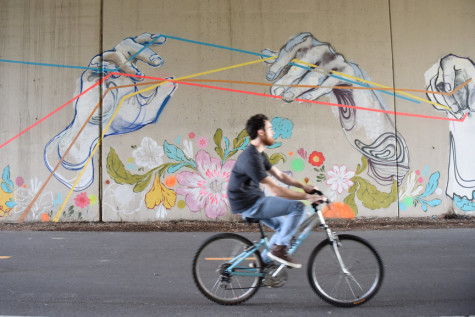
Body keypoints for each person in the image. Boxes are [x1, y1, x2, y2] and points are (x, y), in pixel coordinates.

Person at [227, 114, 326, 268]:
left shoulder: (259, 155)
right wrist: (307, 197)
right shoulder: (251, 158)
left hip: (253, 199)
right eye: (270, 129)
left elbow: (280, 176)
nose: (273, 132)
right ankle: (279, 249)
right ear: (261, 132)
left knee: (283, 226)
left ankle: (262, 263)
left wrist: (304, 187)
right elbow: (277, 190)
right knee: (298, 208)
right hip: (249, 203)